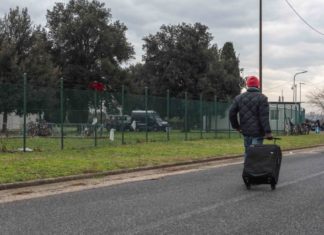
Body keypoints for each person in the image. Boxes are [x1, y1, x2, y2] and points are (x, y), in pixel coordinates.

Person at [229, 75, 273, 157]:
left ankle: (247, 167)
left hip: (245, 131)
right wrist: (268, 132)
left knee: (248, 152)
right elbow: (264, 117)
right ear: (258, 85)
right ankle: (254, 169)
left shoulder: (239, 98)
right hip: (258, 132)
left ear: (248, 85)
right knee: (256, 154)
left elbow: (231, 113)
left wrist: (237, 127)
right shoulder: (262, 98)